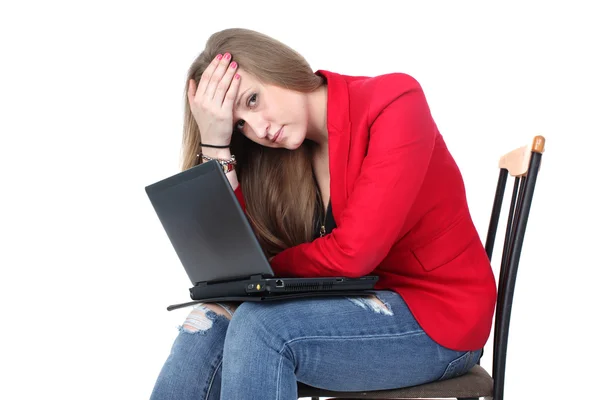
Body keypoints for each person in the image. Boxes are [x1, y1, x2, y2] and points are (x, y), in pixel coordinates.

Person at [149, 28, 497, 400]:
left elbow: (354, 254)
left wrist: (266, 274)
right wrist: (216, 144)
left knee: (261, 327)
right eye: (239, 126)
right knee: (204, 323)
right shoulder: (283, 154)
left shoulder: (395, 101)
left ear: (278, 67)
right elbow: (240, 255)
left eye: (252, 100)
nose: (259, 129)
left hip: (440, 318)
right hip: (351, 307)